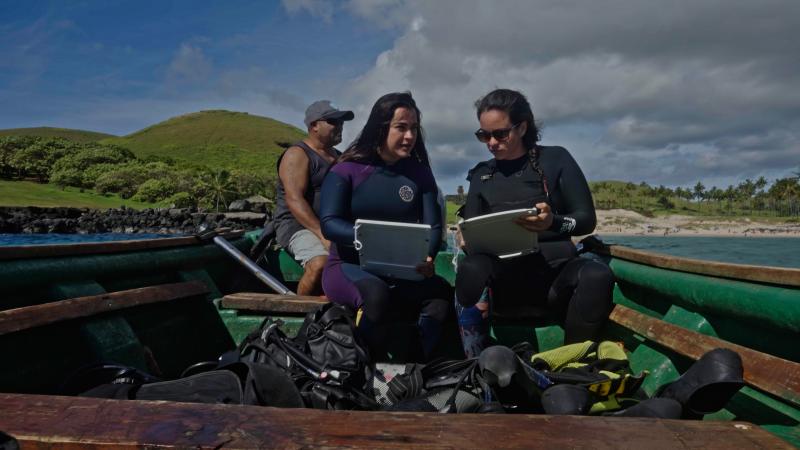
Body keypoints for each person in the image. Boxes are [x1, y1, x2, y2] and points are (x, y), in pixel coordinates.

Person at [455, 88, 614, 357]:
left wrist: (553, 222)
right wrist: (465, 240)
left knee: (597, 275)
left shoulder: (556, 159)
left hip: (554, 281)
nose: (491, 142)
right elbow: (471, 231)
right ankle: (473, 358)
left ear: (522, 127)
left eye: (500, 134)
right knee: (471, 267)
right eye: (484, 135)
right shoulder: (481, 174)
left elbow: (586, 220)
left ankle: (571, 361)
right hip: (503, 286)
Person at [319, 92, 451, 361]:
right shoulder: (347, 169)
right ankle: (366, 370)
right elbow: (330, 224)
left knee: (440, 293)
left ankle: (419, 368)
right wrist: (370, 237)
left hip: (401, 270)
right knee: (376, 295)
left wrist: (428, 256)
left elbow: (433, 227)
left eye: (414, 128)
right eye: (401, 127)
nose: (409, 136)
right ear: (380, 128)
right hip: (349, 266)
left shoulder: (419, 173)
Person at [273, 100, 354, 296]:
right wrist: (322, 234)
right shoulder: (297, 154)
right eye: (333, 121)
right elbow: (295, 200)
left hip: (332, 224)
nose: (340, 126)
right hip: (296, 225)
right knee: (320, 264)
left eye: (341, 122)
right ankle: (299, 311)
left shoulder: (341, 158)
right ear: (314, 125)